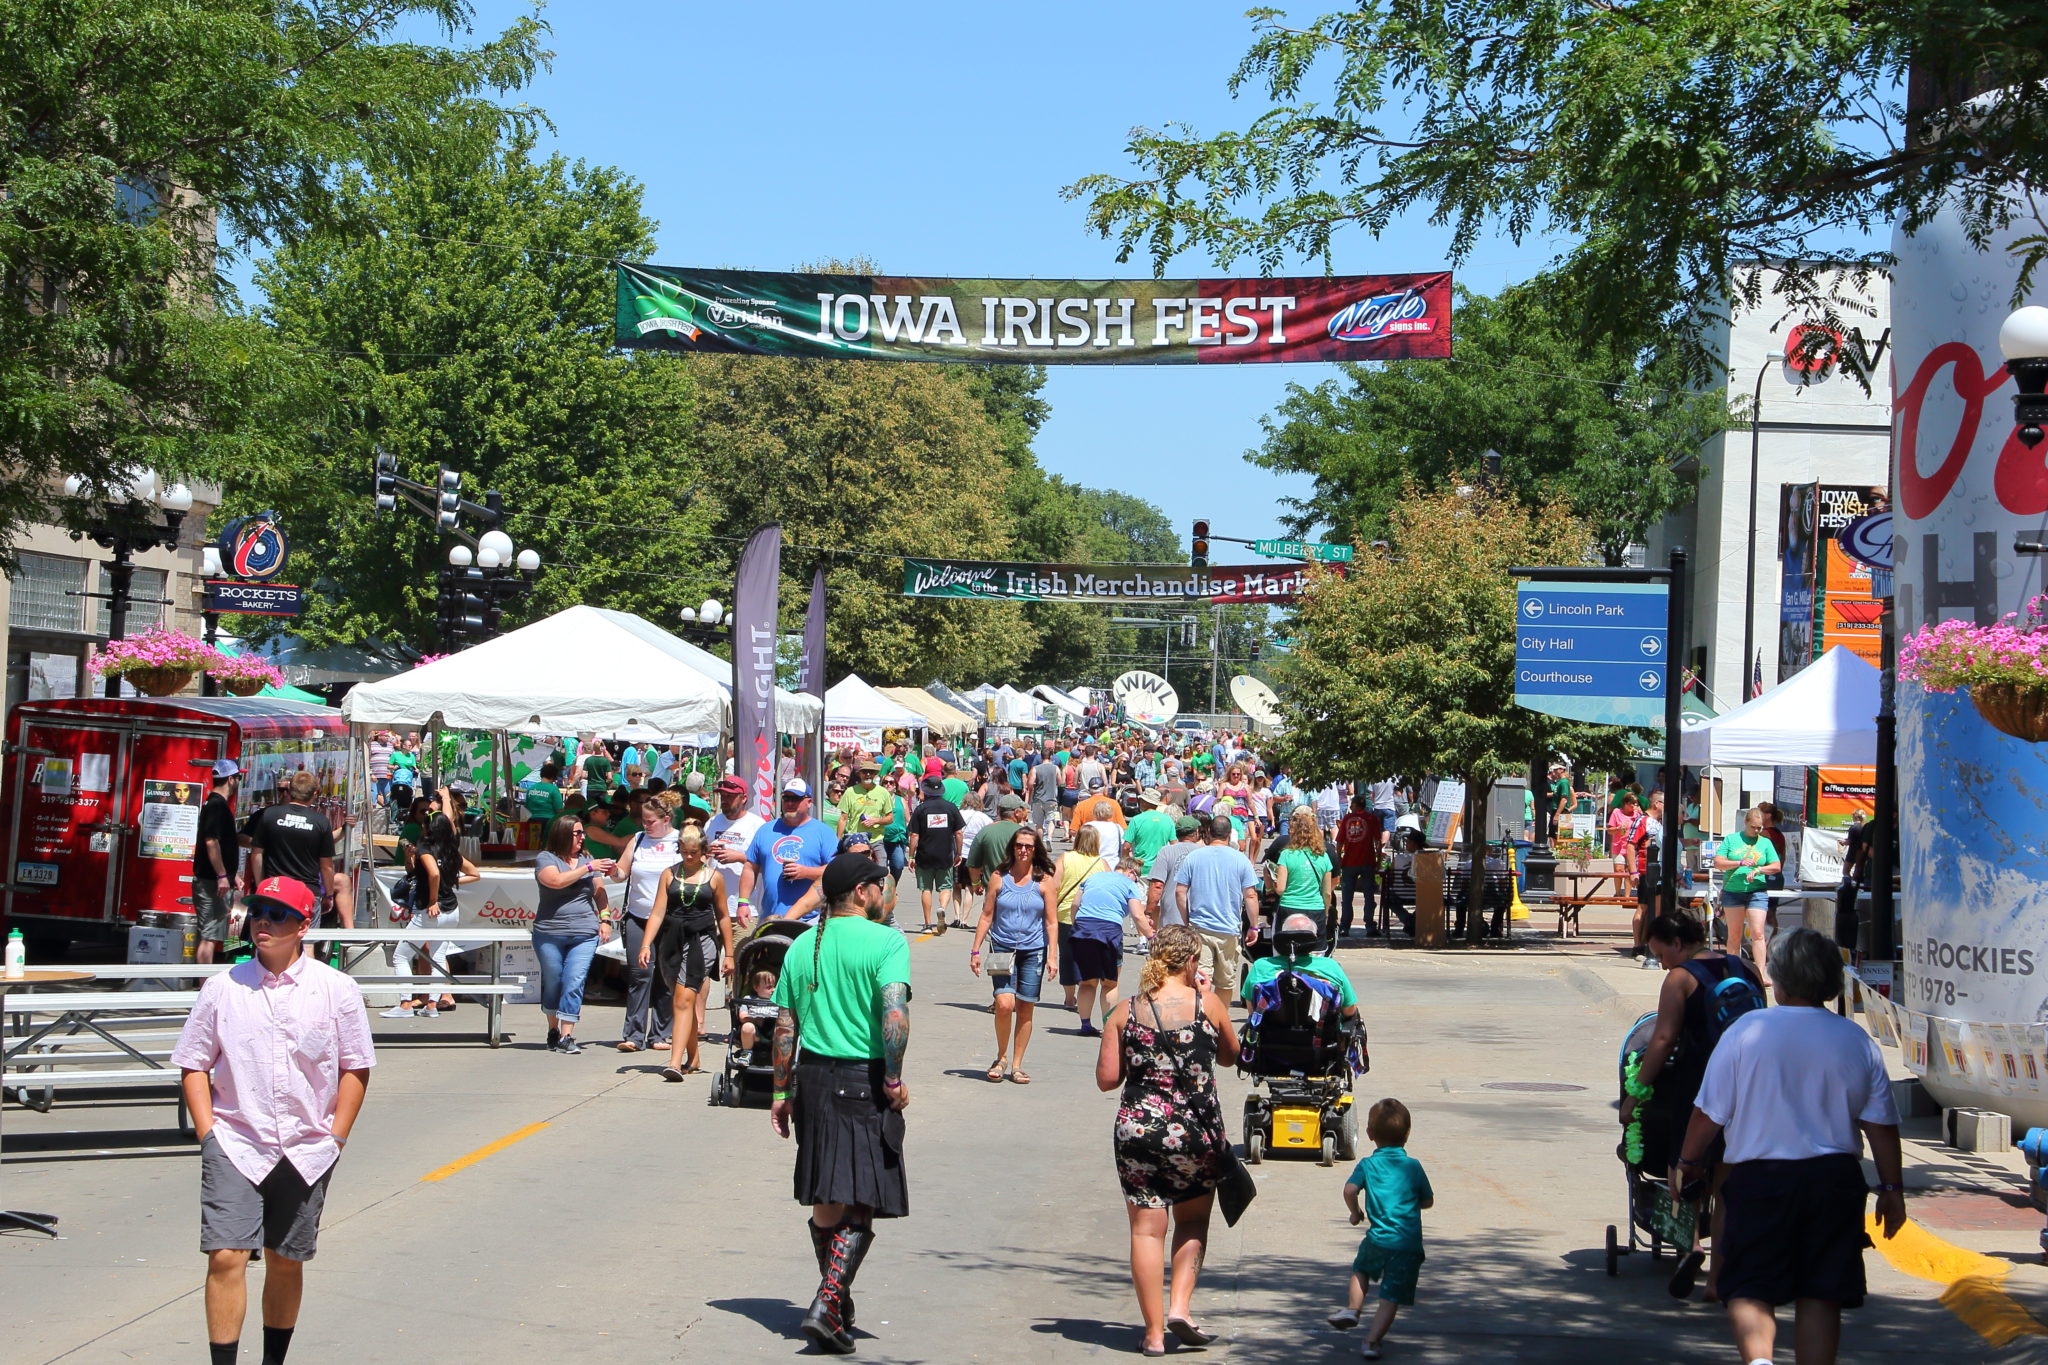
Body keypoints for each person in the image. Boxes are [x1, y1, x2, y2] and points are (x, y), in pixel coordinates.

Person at [1674, 929, 1905, 1365]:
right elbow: (1882, 1127)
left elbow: (1708, 1113)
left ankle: (1759, 1361)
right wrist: (1893, 1190)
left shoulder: (1746, 1031)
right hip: (1833, 1180)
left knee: (1746, 1285)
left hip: (1760, 1179)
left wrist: (1686, 1162)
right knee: (1821, 1291)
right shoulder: (1855, 1041)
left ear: (1777, 980)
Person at [173, 875, 373, 1365]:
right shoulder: (223, 987)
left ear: (304, 925)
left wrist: (336, 1138)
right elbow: (194, 1063)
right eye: (258, 912)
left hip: (307, 1148)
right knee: (225, 1256)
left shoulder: (337, 989)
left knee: (285, 1261)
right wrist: (209, 1136)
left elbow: (356, 1067)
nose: (263, 922)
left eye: (278, 914)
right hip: (237, 1141)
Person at [770, 851, 912, 1356]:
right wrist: (893, 1078)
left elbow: (785, 1026)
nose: (881, 893)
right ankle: (828, 1302)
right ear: (861, 892)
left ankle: (836, 1303)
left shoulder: (804, 944)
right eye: (877, 885)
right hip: (862, 1076)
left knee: (827, 1193)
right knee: (861, 1197)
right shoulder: (886, 940)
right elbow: (894, 1013)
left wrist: (782, 1093)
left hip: (812, 1076)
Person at [1095, 924, 1239, 1356]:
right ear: (1193, 961)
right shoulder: (1207, 1004)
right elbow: (1232, 1056)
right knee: (1191, 1221)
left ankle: (1154, 1334)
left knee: (1145, 1230)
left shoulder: (1126, 1011)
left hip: (1138, 1133)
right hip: (1196, 1134)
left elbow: (1107, 1080)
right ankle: (1180, 1306)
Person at [1625, 911, 1766, 1300]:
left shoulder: (1680, 978)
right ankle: (1718, 1280)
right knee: (1726, 1182)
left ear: (1677, 943)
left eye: (1662, 953)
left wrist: (1636, 1094)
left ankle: (1691, 1245)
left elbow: (1663, 1039)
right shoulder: (1748, 968)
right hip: (1745, 1085)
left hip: (1698, 1084)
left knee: (1683, 1169)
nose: (1663, 962)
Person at [1330, 1098, 1434, 1359]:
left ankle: (1353, 1309)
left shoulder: (1367, 1165)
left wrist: (1356, 1212)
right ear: (1408, 1134)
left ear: (1369, 1133)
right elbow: (1428, 1201)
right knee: (1391, 1295)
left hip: (1377, 1239)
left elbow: (1349, 1190)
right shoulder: (1413, 1167)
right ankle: (1371, 1342)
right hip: (1407, 1245)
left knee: (1361, 1270)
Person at [640, 827, 732, 1081]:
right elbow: (657, 912)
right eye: (684, 851)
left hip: (701, 941)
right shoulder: (669, 875)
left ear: (704, 851)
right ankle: (694, 1057)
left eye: (694, 852)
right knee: (683, 1000)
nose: (689, 857)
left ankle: (674, 1062)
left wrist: (729, 954)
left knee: (682, 998)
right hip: (671, 940)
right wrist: (646, 944)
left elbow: (723, 917)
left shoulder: (714, 877)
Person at [971, 826, 1059, 1085]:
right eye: (1019, 845)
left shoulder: (1044, 881)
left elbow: (1052, 922)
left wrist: (1052, 955)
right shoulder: (999, 877)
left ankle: (1017, 1065)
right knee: (1004, 1003)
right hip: (1001, 947)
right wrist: (975, 950)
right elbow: (986, 915)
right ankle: (1001, 1057)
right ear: (1012, 847)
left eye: (1028, 847)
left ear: (1035, 850)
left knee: (1025, 1006)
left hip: (1033, 950)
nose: (1023, 850)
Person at [383, 788, 478, 1019]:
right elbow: (475, 873)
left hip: (432, 910)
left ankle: (406, 1004)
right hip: (451, 910)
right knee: (437, 956)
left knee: (401, 955)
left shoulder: (426, 847)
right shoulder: (450, 849)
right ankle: (432, 1006)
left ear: (428, 828)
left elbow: (433, 874)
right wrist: (452, 880)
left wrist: (434, 899)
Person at [531, 814, 616, 1054]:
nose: (582, 837)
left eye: (582, 833)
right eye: (577, 833)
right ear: (563, 834)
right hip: (549, 931)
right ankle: (553, 1028)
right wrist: (587, 868)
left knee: (574, 981)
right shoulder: (546, 859)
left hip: (584, 931)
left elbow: (599, 892)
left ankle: (567, 1035)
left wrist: (605, 918)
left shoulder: (587, 859)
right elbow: (555, 881)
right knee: (554, 981)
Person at [612, 795, 684, 1053]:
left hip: (670, 919)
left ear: (666, 819)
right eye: (643, 820)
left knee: (666, 977)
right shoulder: (638, 839)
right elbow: (622, 873)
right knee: (639, 974)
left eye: (650, 821)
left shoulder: (679, 841)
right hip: (638, 916)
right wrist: (613, 871)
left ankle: (661, 1034)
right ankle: (633, 1034)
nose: (646, 825)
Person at [1170, 814, 1264, 1001]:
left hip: (1200, 926)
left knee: (1201, 978)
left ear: (1208, 833)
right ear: (1229, 835)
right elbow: (1251, 895)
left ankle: (1201, 1018)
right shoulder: (1240, 860)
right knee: (1225, 983)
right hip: (1228, 929)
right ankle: (1219, 1020)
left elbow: (1180, 892)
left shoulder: (1194, 857)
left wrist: (1187, 919)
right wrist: (1254, 926)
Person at [245, 771, 344, 928]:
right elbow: (326, 866)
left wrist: (261, 884)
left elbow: (256, 855)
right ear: (315, 793)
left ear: (291, 790)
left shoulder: (270, 815)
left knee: (267, 936)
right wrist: (329, 894)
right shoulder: (320, 822)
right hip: (307, 891)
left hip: (275, 888)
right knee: (307, 940)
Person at [1073, 851, 1152, 1038]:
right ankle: (1108, 1025)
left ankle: (1085, 1025)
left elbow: (1076, 904)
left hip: (1083, 927)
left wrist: (1075, 924)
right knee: (1109, 983)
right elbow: (1138, 915)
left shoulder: (1093, 877)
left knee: (1087, 982)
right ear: (1131, 872)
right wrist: (1151, 937)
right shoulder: (1128, 885)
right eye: (1137, 877)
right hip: (1109, 930)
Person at [740, 779, 838, 923]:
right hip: (770, 916)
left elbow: (836, 871)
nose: (790, 803)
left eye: (796, 799)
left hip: (810, 920)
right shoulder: (766, 830)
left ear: (809, 802)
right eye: (786, 798)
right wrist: (743, 902)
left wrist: (805, 872)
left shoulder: (823, 832)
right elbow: (750, 867)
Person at [1240, 913, 1360, 1019]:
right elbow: (1349, 1010)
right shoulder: (1330, 966)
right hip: (1322, 1037)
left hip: (1270, 1035)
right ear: (1313, 939)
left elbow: (1252, 1009)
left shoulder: (1261, 966)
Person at [1715, 808, 1783, 989]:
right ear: (1745, 823)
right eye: (1753, 827)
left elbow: (1776, 866)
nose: (1757, 831)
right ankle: (1734, 972)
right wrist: (1739, 863)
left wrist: (1759, 869)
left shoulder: (1765, 842)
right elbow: (1718, 862)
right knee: (1734, 934)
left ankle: (1760, 973)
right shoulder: (1732, 839)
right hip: (1733, 891)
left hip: (1757, 891)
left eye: (1759, 828)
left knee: (1758, 933)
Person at [1056, 825, 1113, 1010]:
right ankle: (1084, 994)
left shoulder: (1065, 858)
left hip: (1065, 915)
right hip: (1091, 918)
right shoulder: (1101, 864)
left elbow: (1054, 885)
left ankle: (1069, 998)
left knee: (1066, 957)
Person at [194, 759, 242, 965]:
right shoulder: (216, 805)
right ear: (230, 780)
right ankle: (204, 984)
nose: (239, 781)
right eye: (238, 777)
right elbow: (211, 841)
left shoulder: (218, 805)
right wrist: (222, 876)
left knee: (213, 934)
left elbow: (223, 843)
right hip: (211, 882)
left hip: (218, 879)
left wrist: (233, 874)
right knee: (209, 936)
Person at [706, 775, 766, 929]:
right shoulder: (712, 822)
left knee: (740, 953)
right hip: (712, 908)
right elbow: (698, 856)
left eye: (730, 796)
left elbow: (767, 863)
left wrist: (739, 857)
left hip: (743, 909)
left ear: (743, 798)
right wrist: (706, 851)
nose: (724, 800)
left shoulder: (757, 825)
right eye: (722, 796)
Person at [1270, 808, 1336, 949]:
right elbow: (1327, 892)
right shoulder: (1323, 857)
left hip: (1289, 907)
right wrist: (1325, 912)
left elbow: (1280, 889)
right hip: (1315, 909)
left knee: (1284, 950)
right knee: (1315, 952)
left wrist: (1272, 883)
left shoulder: (1286, 855)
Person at [907, 774, 964, 936]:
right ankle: (942, 908)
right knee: (945, 887)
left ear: (926, 791)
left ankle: (927, 924)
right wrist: (958, 852)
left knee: (926, 888)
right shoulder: (951, 808)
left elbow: (914, 836)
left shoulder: (921, 809)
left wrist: (911, 856)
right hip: (945, 854)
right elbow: (959, 833)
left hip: (924, 855)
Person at [1334, 797, 1382, 939]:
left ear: (1355, 805)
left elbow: (1339, 841)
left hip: (1349, 861)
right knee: (1369, 895)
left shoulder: (1347, 819)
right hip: (1367, 860)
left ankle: (1345, 926)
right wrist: (1378, 859)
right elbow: (1378, 841)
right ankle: (1370, 926)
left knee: (1347, 897)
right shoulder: (1371, 819)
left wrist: (1339, 858)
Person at [1146, 814, 1203, 930]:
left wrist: (1148, 912)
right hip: (1198, 919)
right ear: (1196, 832)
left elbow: (1157, 886)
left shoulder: (1166, 852)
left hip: (1171, 920)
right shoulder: (1204, 853)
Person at [1027, 748, 1063, 837]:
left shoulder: (1035, 769)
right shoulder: (1055, 768)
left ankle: (1040, 841)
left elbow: (1030, 783)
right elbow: (1060, 782)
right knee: (1051, 820)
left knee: (1038, 823)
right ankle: (1049, 837)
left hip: (1038, 799)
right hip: (1051, 798)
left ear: (1041, 757)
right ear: (1050, 757)